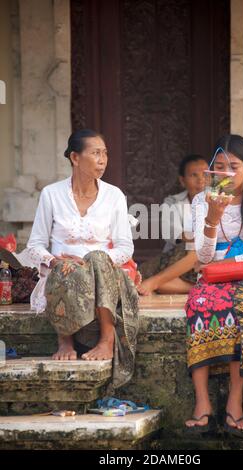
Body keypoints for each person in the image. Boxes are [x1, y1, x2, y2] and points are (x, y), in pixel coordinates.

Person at [21, 129, 139, 391]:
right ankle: (65, 341)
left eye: (105, 153)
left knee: (97, 259)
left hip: (104, 273)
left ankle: (107, 339)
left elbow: (125, 248)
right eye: (96, 153)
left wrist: (91, 261)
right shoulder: (51, 194)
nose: (103, 159)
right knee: (65, 267)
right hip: (62, 273)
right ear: (75, 157)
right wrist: (53, 261)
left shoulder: (114, 195)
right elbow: (35, 246)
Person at [185, 134, 243, 432]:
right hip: (212, 279)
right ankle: (202, 402)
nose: (226, 173)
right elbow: (202, 254)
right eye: (220, 166)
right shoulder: (203, 199)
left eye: (233, 166)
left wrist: (224, 264)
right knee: (199, 304)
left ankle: (234, 402)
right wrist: (213, 218)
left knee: (239, 310)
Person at [138, 155, 208, 295]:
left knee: (162, 284)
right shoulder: (172, 203)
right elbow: (174, 234)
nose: (201, 179)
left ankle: (195, 288)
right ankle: (201, 288)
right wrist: (202, 238)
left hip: (205, 258)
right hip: (178, 259)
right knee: (139, 276)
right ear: (182, 181)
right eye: (194, 175)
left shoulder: (219, 200)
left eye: (205, 174)